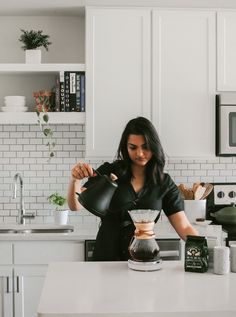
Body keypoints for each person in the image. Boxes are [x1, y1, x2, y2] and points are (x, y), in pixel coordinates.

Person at [68, 116, 198, 261]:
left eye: (146, 147)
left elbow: (184, 227)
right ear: (126, 147)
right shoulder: (110, 172)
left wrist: (203, 247)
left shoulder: (164, 183)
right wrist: (75, 180)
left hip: (145, 258)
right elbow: (76, 205)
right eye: (133, 147)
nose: (140, 153)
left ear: (154, 146)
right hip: (106, 258)